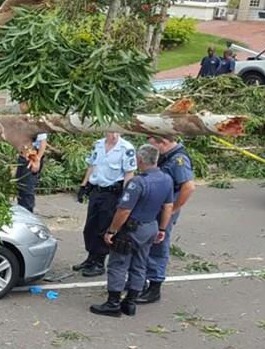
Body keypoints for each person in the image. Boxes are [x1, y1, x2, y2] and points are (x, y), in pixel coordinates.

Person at [90, 145, 174, 317]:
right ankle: (130, 302)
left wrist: (111, 231)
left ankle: (113, 303)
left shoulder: (137, 182)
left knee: (118, 265)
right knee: (140, 264)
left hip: (131, 229)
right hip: (151, 226)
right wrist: (162, 228)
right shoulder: (166, 179)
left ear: (140, 160)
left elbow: (124, 210)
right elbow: (168, 206)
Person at [137, 134, 196, 304]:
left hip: (165, 210)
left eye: (153, 145)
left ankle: (154, 287)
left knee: (158, 244)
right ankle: (140, 281)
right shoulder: (166, 156)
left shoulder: (178, 159)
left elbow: (188, 187)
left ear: (162, 142)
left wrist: (173, 209)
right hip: (156, 207)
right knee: (146, 243)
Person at [73, 133, 137, 278]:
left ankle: (99, 261)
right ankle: (91, 257)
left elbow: (129, 173)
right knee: (90, 226)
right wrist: (84, 185)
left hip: (112, 193)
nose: (114, 135)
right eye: (110, 131)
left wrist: (125, 195)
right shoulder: (98, 144)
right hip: (97, 191)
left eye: (117, 132)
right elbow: (92, 166)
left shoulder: (126, 148)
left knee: (103, 227)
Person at [14, 130, 49, 212]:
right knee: (20, 187)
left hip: (32, 156)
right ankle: (22, 212)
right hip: (24, 155)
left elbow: (43, 142)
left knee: (27, 189)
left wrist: (37, 160)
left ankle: (28, 213)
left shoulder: (36, 124)